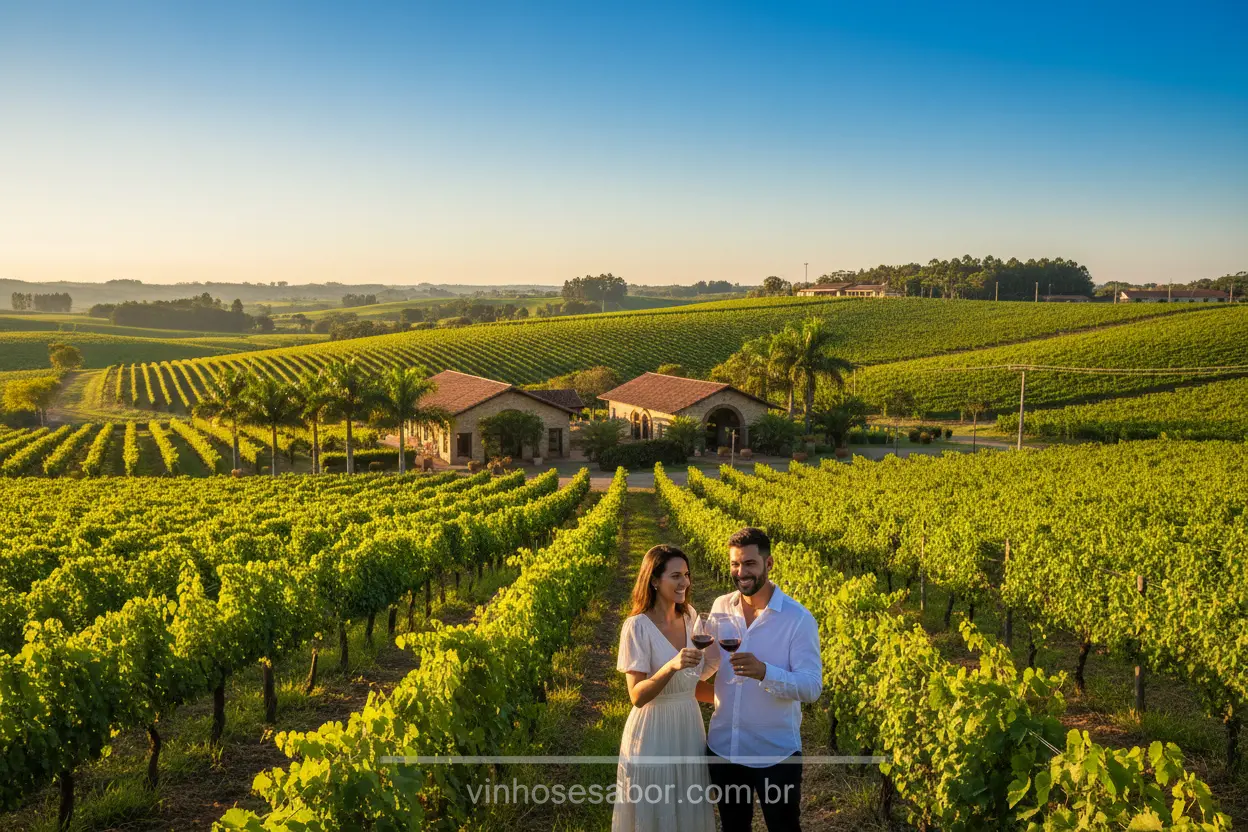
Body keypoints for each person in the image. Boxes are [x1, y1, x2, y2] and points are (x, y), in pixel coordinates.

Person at [698, 526, 822, 831]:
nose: (741, 572)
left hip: (775, 754)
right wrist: (677, 674)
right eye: (735, 564)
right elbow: (712, 662)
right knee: (733, 827)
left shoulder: (798, 619)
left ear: (769, 564)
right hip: (725, 748)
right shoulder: (721, 607)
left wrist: (765, 672)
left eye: (750, 564)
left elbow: (811, 687)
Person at [613, 544, 716, 832]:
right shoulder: (636, 627)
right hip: (653, 731)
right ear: (655, 580)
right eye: (675, 576)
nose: (685, 582)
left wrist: (731, 701)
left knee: (687, 805)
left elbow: (691, 685)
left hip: (689, 726)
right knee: (656, 809)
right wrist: (671, 666)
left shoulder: (691, 617)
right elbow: (637, 695)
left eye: (686, 574)